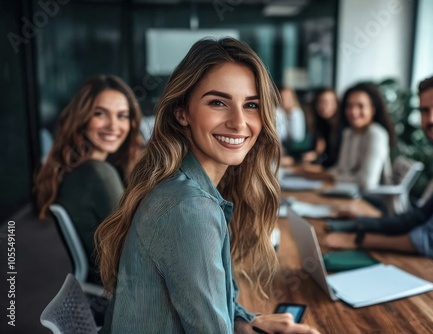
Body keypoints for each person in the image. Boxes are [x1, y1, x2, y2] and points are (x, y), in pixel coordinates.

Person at [95, 38, 319, 334]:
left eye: (251, 105)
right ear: (182, 113)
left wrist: (246, 323)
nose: (239, 122)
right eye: (218, 102)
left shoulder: (187, 188)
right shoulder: (189, 208)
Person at [323, 75, 433, 309]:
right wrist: (362, 223)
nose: (432, 118)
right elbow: (422, 216)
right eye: (425, 111)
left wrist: (358, 240)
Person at [35, 74, 143, 285]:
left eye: (122, 116)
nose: (113, 125)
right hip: (124, 296)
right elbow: (137, 250)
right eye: (100, 114)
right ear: (82, 118)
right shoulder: (97, 174)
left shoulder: (79, 171)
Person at [329, 82, 396, 191]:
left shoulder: (376, 134)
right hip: (348, 193)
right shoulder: (349, 133)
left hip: (373, 202)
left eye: (360, 106)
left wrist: (335, 177)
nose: (353, 112)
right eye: (349, 106)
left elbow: (366, 183)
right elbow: (341, 169)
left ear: (372, 109)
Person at [302, 88, 341, 167]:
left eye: (327, 102)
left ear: (337, 103)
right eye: (320, 102)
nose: (323, 106)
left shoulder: (345, 129)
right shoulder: (323, 126)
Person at [276, 87, 308, 162]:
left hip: (296, 150)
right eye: (282, 97)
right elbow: (277, 135)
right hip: (280, 149)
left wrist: (292, 115)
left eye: (287, 97)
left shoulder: (297, 113)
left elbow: (297, 136)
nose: (285, 100)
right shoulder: (277, 112)